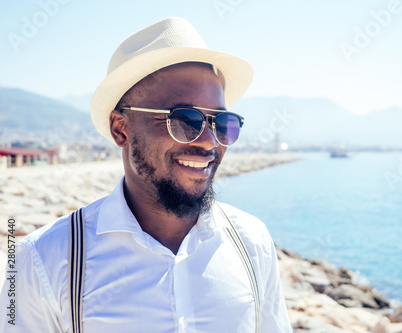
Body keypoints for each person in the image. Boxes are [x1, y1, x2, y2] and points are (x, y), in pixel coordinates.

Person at [0, 17, 292, 332]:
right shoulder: (43, 260)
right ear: (120, 128)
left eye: (222, 123)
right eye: (186, 119)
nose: (209, 141)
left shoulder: (252, 243)